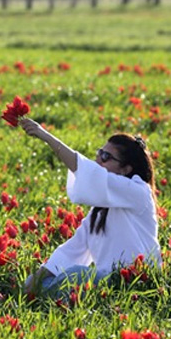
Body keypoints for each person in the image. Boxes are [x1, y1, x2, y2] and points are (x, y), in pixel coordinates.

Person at [19, 118, 161, 296]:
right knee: (43, 280)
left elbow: (89, 173)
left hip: (135, 283)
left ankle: (43, 297)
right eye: (99, 153)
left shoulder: (138, 192)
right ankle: (42, 295)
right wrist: (37, 277)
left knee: (75, 275)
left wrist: (45, 136)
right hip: (105, 283)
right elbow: (72, 250)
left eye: (106, 157)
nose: (98, 160)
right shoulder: (98, 212)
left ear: (126, 169)